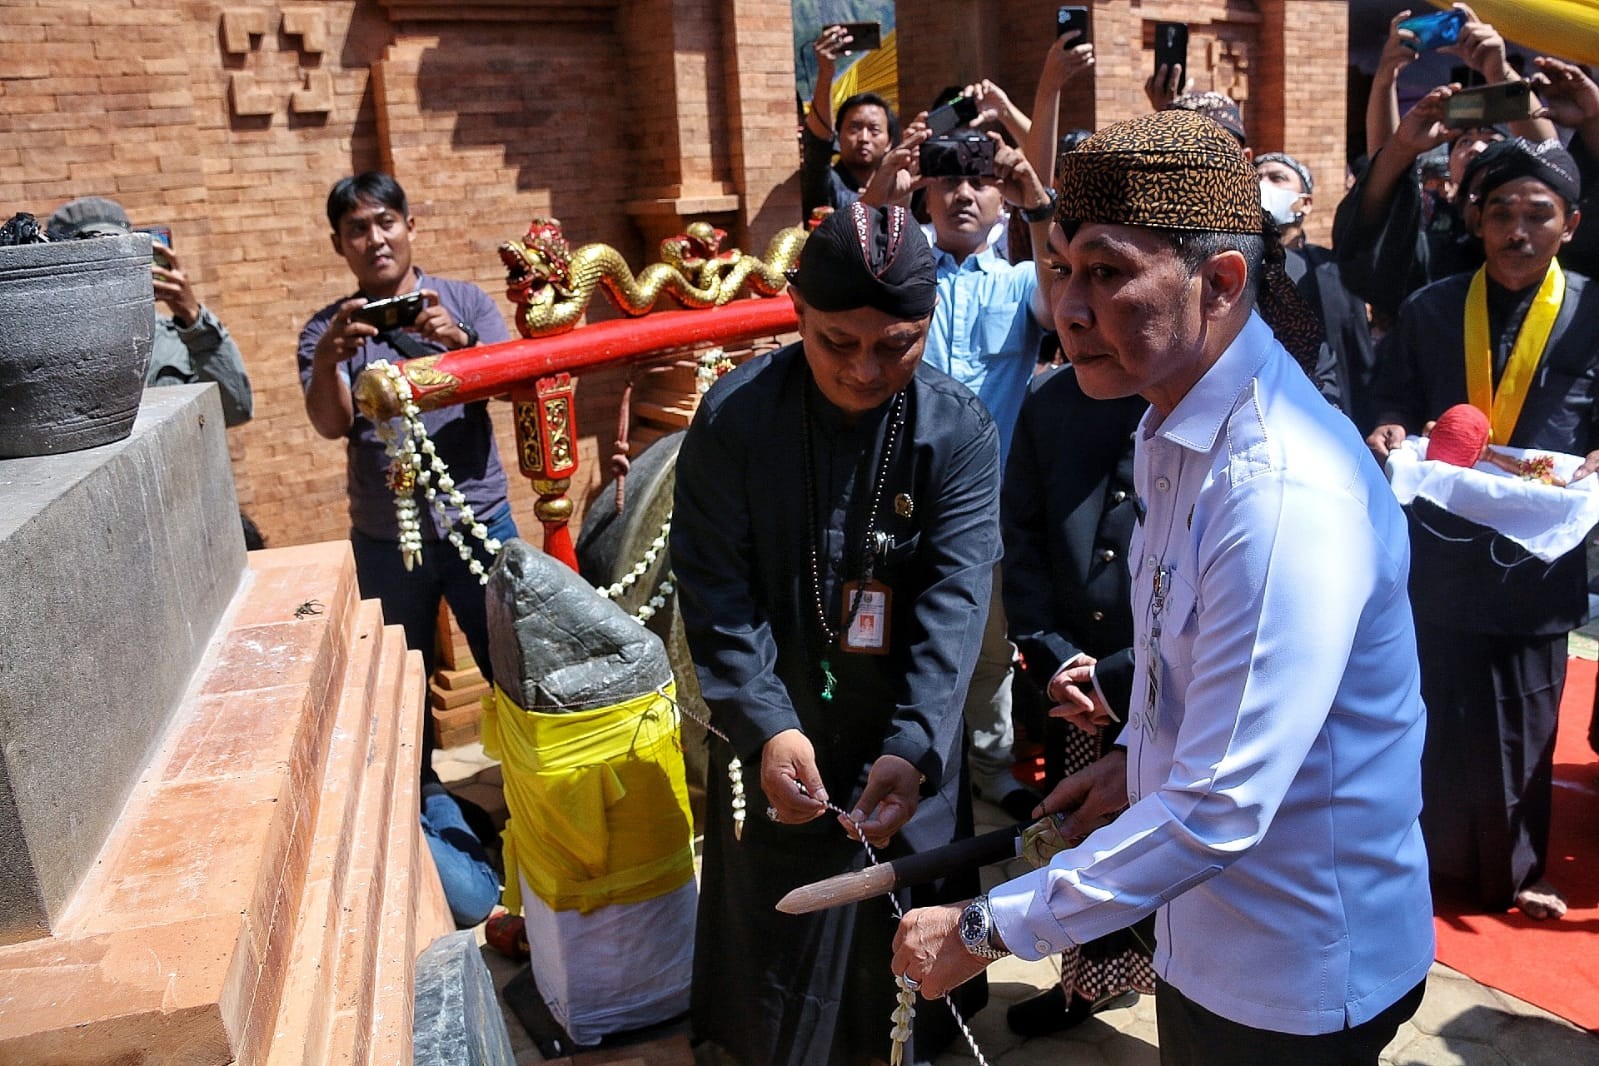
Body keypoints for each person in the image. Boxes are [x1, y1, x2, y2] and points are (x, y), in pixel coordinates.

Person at [891, 109, 1434, 1065]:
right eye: (1060, 268)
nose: (1066, 307)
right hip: (1208, 935)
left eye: (1106, 272)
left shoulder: (1278, 494)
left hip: (1294, 970)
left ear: (1219, 283)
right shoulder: (1166, 427)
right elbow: (1200, 702)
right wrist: (1138, 759)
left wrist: (984, 929)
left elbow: (1220, 808)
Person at [673, 201, 998, 1065]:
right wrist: (765, 721)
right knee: (780, 961)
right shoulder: (735, 418)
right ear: (795, 313)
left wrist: (916, 740)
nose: (864, 370)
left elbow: (954, 599)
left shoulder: (955, 429)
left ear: (927, 323)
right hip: (777, 722)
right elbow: (715, 591)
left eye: (896, 345)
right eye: (835, 342)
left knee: (905, 970)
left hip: (906, 731)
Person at [1366, 137, 1596, 921]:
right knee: (1432, 713)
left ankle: (1514, 874)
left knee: (1522, 720)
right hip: (1438, 551)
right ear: (1473, 218)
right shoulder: (1432, 307)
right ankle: (1421, 864)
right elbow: (1387, 397)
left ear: (1570, 222)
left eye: (1538, 214)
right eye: (1500, 213)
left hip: (1539, 554)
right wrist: (1389, 430)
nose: (1517, 232)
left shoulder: (1593, 312)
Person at [297, 172, 513, 923]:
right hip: (388, 541)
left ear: (410, 225)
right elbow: (330, 425)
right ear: (339, 245)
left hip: (478, 523)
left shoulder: (464, 304)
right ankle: (426, 819)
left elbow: (512, 380)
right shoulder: (328, 330)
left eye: (384, 222)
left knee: (513, 668)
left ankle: (532, 805)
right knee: (400, 685)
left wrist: (457, 348)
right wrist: (329, 356)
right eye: (356, 230)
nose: (374, 239)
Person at [999, 362, 1154, 1037]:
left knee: (1175, 851)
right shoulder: (1049, 398)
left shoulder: (1198, 396)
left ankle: (1188, 1000)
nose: (1075, 304)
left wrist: (1125, 677)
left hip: (1174, 681)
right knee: (1087, 841)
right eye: (1059, 273)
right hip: (1075, 680)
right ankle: (1090, 982)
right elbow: (1024, 535)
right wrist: (1052, 655)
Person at [46, 195, 253, 428]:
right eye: (94, 259)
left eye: (118, 256)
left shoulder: (177, 341)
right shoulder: (43, 353)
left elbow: (236, 409)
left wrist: (193, 319)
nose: (110, 274)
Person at [1257, 152, 1381, 428]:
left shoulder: (1332, 269)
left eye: (1277, 178)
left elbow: (1355, 354)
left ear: (1305, 203)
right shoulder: (1239, 268)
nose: (1262, 184)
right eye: (1257, 177)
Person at [801, 25, 899, 218]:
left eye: (874, 130)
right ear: (838, 135)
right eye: (854, 128)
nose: (863, 138)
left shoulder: (898, 187)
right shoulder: (827, 185)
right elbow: (819, 146)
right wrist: (826, 72)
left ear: (889, 142)